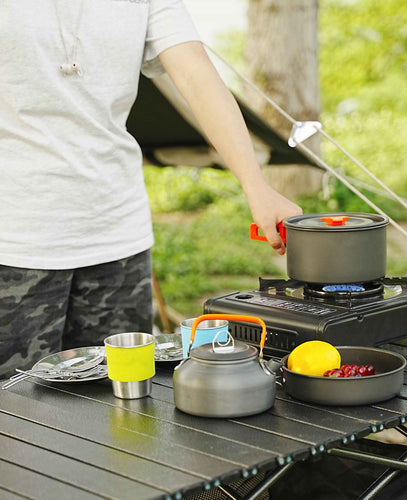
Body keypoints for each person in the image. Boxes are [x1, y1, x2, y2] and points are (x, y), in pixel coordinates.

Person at [0, 0, 302, 378]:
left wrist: (257, 187)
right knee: (17, 413)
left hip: (119, 236)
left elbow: (196, 74)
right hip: (13, 241)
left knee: (119, 406)